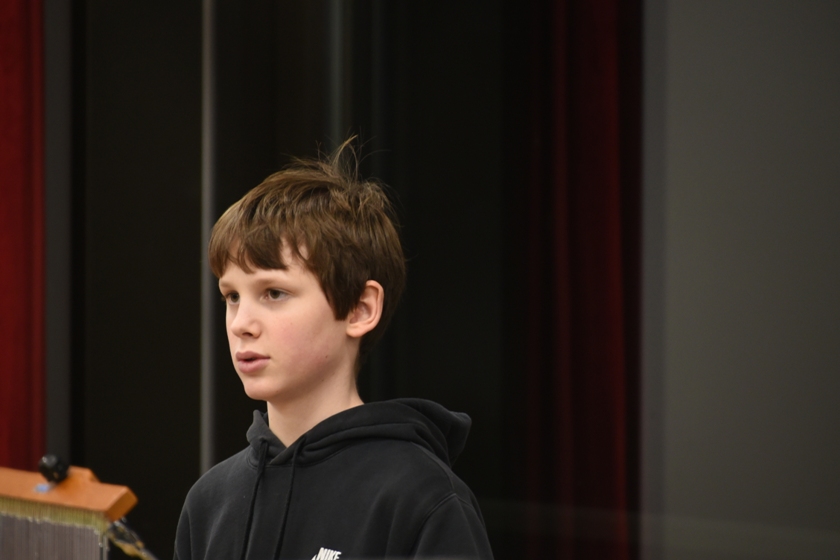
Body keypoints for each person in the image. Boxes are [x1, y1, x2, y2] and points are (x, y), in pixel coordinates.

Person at [174, 140, 494, 560]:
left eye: (274, 292)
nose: (241, 324)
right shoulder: (208, 503)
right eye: (232, 296)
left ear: (360, 309)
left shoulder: (423, 498)